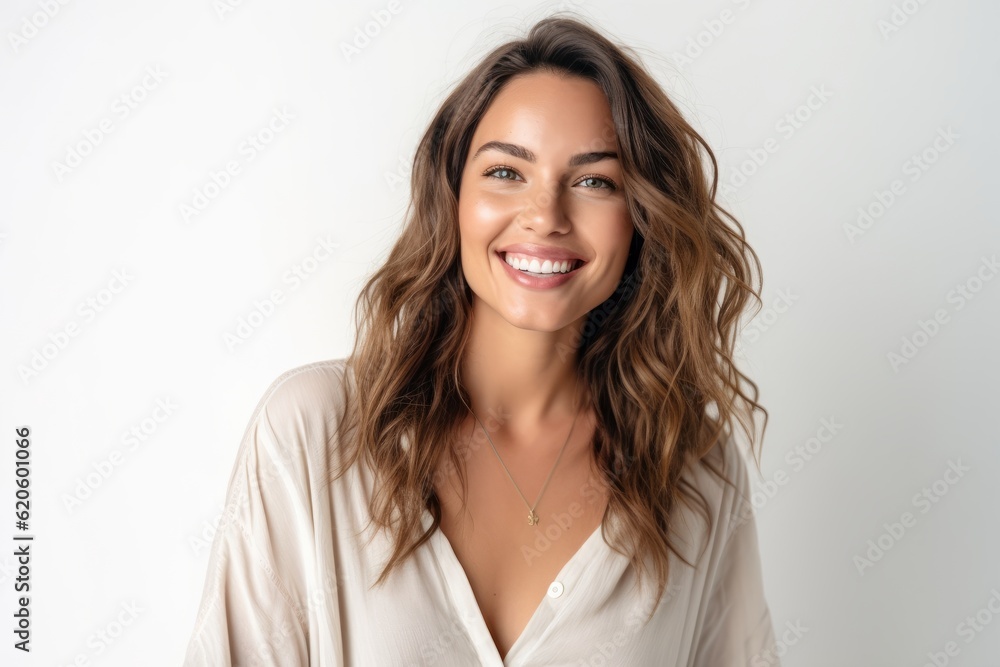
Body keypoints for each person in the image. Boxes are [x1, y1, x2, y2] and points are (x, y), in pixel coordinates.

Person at [182, 14, 780, 666]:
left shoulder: (693, 466)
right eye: (506, 172)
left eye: (593, 181)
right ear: (453, 194)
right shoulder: (312, 432)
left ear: (639, 216)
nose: (546, 216)